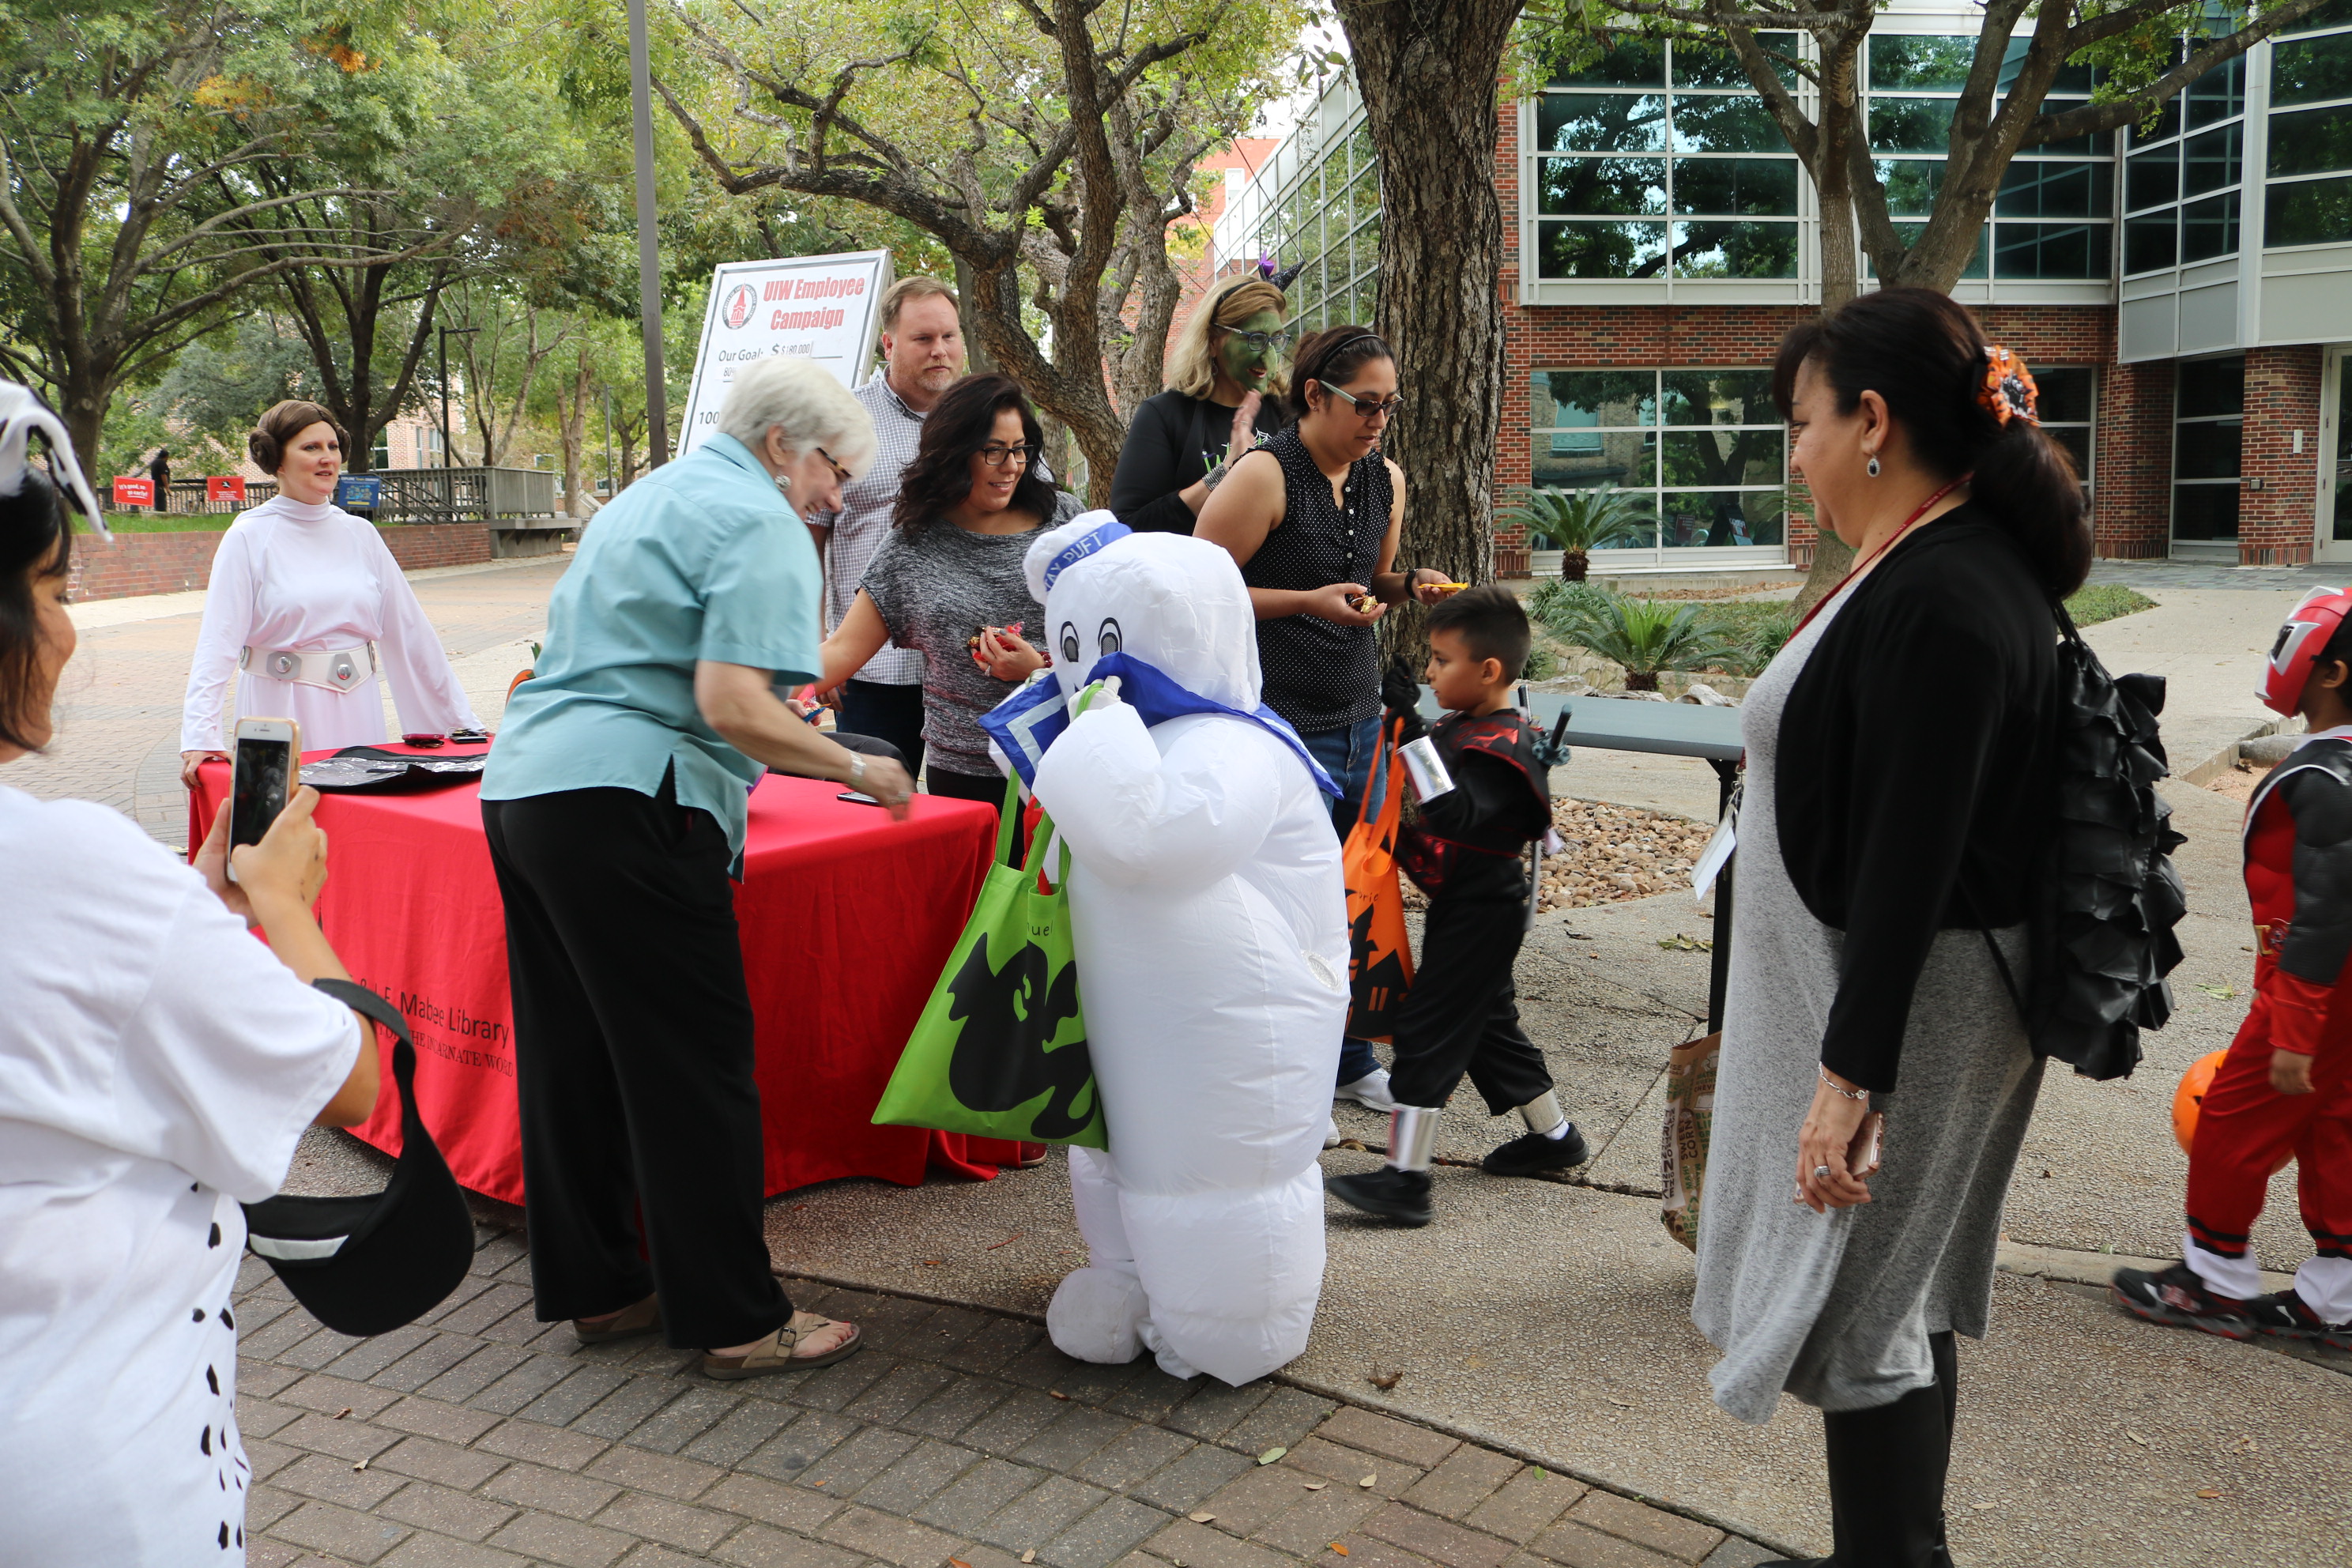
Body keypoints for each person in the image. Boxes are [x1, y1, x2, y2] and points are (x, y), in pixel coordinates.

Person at [1690, 288, 2089, 1568]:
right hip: (1893, 985)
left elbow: (1915, 850)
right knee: (1887, 1305)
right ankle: (1887, 1548)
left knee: (1869, 1311)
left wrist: (1851, 1076)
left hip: (1912, 997)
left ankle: (1894, 1554)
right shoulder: (1927, 560)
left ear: (1871, 419)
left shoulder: (1951, 589)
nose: (1793, 451)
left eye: (1801, 422)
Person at [0, 382, 379, 1564]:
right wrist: (275, 905)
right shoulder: (66, 862)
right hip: (83, 1474)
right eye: (53, 591)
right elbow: (354, 1084)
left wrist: (188, 916)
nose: (66, 631)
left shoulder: (97, 888)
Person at [479, 356, 906, 1380]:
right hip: (636, 801)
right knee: (693, 1069)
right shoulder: (757, 519)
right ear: (780, 448)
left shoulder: (648, 495)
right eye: (832, 471)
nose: (835, 496)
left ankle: (607, 1287)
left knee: (572, 1058)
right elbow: (731, 706)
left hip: (527, 789)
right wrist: (863, 767)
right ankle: (738, 1318)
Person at [1012, 513, 1347, 1385]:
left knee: (1213, 1161)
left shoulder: (1235, 742)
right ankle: (1130, 1284)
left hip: (1236, 1017)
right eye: (1079, 641)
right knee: (1120, 1144)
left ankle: (1235, 1323)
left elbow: (1150, 841)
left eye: (1110, 639)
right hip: (1136, 1010)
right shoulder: (1145, 737)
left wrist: (1092, 730)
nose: (1091, 663)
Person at [1194, 325, 1451, 1110]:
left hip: (1360, 715)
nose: (1378, 420)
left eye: (1389, 406)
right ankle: (1277, 1070)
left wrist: (1408, 586)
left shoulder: (1386, 481)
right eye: (1364, 404)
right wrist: (1304, 602)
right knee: (1274, 901)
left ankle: (1343, 1059)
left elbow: (1369, 579)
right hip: (1275, 721)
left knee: (1350, 895)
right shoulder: (1264, 476)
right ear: (1314, 396)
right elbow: (1195, 590)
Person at [2112, 590, 2352, 1350]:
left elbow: (2327, 912)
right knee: (2336, 1129)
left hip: (2313, 989)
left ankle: (2212, 1280)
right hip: (2336, 992)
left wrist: (2296, 1024)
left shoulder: (2324, 779)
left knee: (2231, 1120)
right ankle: (2340, 1299)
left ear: (2333, 672)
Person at [1328, 593, 1585, 1227]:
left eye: (1442, 661)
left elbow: (1454, 815)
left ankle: (1406, 1180)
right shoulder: (1473, 726)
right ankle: (1555, 1138)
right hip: (1468, 903)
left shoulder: (1506, 745)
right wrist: (1406, 723)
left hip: (1483, 909)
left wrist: (1413, 733)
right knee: (1490, 1027)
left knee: (1430, 1029)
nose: (1433, 673)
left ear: (1490, 670)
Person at [812, 375, 1075, 827]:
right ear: (953, 453)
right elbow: (840, 651)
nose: (1011, 465)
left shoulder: (1066, 521)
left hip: (1062, 764)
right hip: (963, 777)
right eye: (993, 450)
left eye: (1020, 449)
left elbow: (1116, 643)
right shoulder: (912, 545)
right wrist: (753, 690)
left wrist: (1039, 671)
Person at [179, 401, 481, 788]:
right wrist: (200, 735)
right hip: (280, 712)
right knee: (286, 830)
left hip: (358, 707)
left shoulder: (361, 534)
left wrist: (458, 722)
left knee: (361, 824)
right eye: (310, 448)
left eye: (332, 447)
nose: (327, 459)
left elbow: (409, 631)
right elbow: (217, 641)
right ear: (277, 460)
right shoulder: (248, 535)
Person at [802, 277, 971, 776]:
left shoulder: (986, 423)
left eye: (949, 336)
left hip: (969, 666)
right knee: (871, 810)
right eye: (923, 339)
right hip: (873, 668)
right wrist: (816, 644)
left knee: (966, 818)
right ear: (889, 343)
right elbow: (805, 541)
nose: (939, 350)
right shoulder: (843, 423)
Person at [1109, 276, 1291, 535]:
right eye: (1256, 339)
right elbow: (1129, 525)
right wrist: (1227, 471)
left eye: (1276, 340)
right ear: (1213, 340)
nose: (1269, 357)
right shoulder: (1165, 415)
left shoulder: (1289, 415)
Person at [148, 445, 171, 512]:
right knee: (161, 507)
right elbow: (163, 475)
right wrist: (167, 488)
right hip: (159, 488)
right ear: (166, 457)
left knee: (157, 505)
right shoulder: (162, 463)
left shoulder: (154, 462)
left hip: (154, 487)